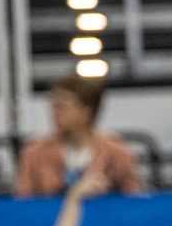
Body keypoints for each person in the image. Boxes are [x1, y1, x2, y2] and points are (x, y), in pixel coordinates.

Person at [16, 74, 146, 198]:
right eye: (53, 106)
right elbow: (22, 205)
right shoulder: (33, 154)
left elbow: (134, 202)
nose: (55, 113)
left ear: (86, 111)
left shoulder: (117, 153)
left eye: (62, 107)